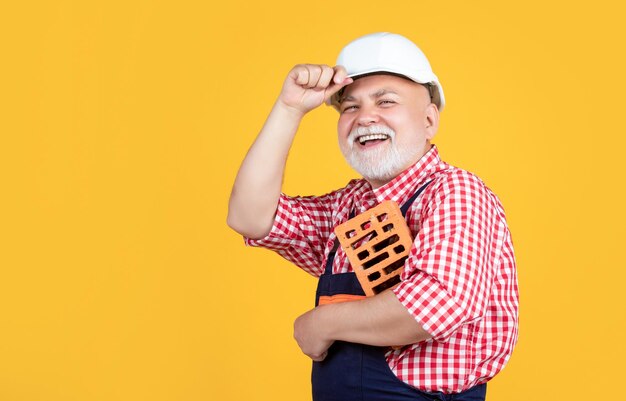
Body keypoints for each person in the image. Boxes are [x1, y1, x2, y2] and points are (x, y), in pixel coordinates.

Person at [227, 32, 518, 401]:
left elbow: (436, 305)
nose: (365, 117)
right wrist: (289, 109)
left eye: (386, 101)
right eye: (350, 107)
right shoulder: (348, 206)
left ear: (429, 120)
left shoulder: (456, 192)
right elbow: (249, 216)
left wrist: (321, 323)